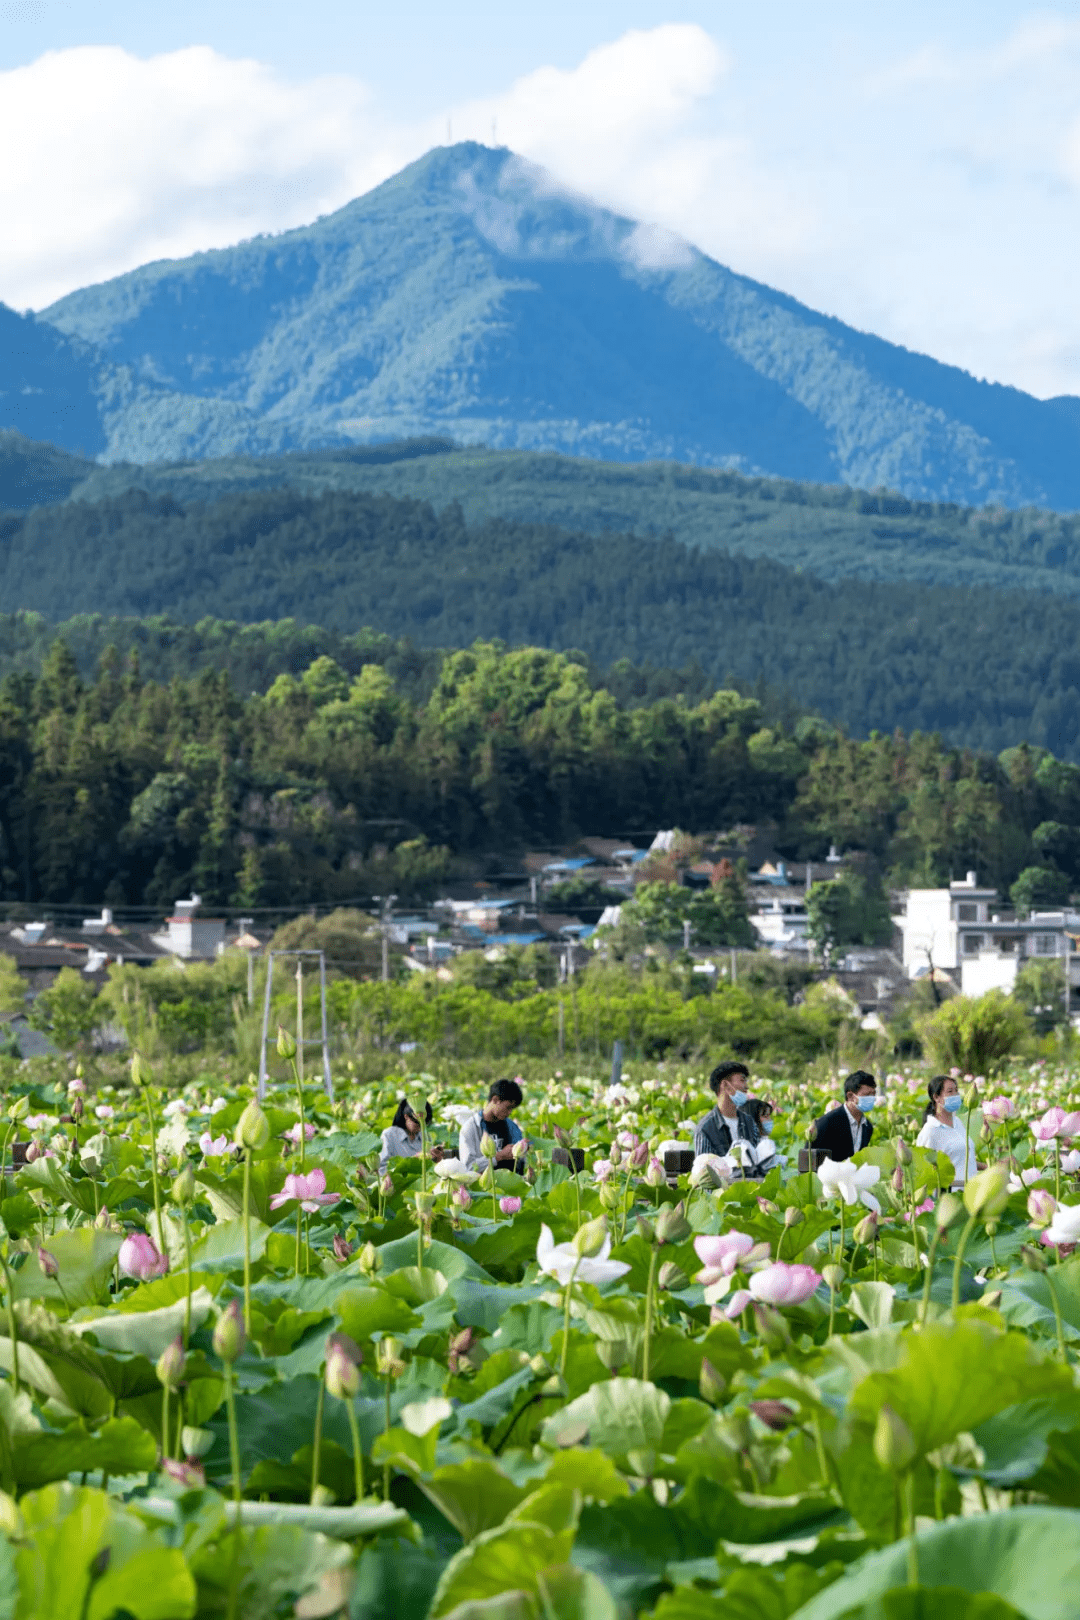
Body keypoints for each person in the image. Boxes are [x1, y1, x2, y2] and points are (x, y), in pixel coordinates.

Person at [693, 1060, 767, 1177]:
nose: (747, 1087)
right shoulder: (705, 1129)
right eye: (742, 1081)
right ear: (726, 1085)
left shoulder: (750, 1122)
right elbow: (704, 1177)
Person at [916, 1074, 978, 1187]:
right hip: (949, 1195)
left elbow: (960, 1159)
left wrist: (988, 1166)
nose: (956, 1095)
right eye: (950, 1091)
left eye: (956, 1090)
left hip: (971, 1191)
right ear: (936, 1097)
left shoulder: (958, 1122)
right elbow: (923, 1170)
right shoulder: (930, 1131)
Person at [459, 1078, 527, 1170]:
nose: (510, 1112)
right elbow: (468, 1166)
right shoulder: (471, 1128)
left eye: (512, 1109)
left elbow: (522, 1159)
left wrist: (525, 1148)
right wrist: (499, 1156)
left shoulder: (512, 1126)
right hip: (483, 1182)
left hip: (510, 1181)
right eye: (508, 1107)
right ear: (495, 1099)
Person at [810, 1071, 877, 1162]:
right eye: (867, 1095)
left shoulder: (868, 1127)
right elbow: (808, 1165)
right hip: (828, 1175)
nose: (872, 1099)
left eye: (873, 1094)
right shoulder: (826, 1123)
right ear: (850, 1096)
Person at [379, 1098, 443, 1174]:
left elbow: (430, 1169)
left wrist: (437, 1159)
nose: (421, 1127)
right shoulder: (389, 1135)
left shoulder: (425, 1136)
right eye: (417, 1122)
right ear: (406, 1117)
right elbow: (381, 1169)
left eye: (425, 1123)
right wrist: (412, 1162)